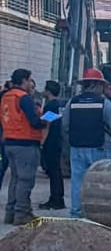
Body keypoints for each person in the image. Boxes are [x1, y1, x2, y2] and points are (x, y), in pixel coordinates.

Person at [65, 69, 111, 217]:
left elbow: (65, 126)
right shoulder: (104, 103)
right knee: (101, 182)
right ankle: (100, 214)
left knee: (77, 182)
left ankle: (77, 213)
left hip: (76, 148)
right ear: (97, 85)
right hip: (100, 148)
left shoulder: (72, 102)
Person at [1, 68, 46, 225]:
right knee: (25, 180)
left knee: (15, 179)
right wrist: (45, 121)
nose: (30, 84)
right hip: (25, 143)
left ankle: (10, 212)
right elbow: (34, 121)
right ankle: (22, 213)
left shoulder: (5, 97)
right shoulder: (23, 97)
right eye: (29, 80)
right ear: (24, 80)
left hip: (9, 143)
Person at [37, 78, 64, 210]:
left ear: (48, 91)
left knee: (53, 172)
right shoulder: (58, 105)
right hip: (57, 141)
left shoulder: (50, 106)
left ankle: (56, 199)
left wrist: (42, 142)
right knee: (56, 171)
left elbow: (46, 126)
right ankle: (57, 198)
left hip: (51, 143)